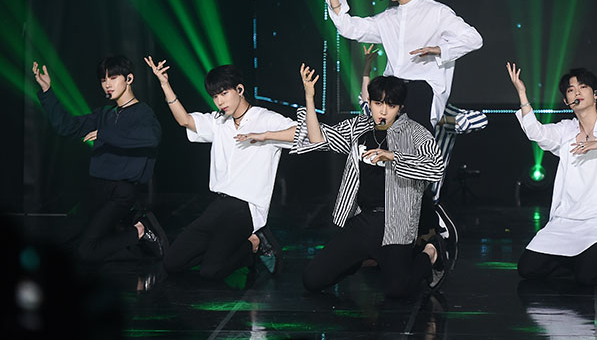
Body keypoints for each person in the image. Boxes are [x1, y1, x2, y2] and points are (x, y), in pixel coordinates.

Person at [292, 63, 447, 297]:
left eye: (391, 106)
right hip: (364, 221)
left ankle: (432, 252)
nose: (383, 111)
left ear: (400, 108)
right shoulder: (359, 127)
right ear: (370, 103)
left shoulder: (415, 133)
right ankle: (368, 258)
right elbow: (318, 139)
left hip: (398, 223)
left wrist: (393, 156)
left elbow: (436, 168)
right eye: (378, 104)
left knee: (397, 291)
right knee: (312, 280)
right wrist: (309, 97)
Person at [144, 56, 296, 280]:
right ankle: (230, 247)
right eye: (215, 96)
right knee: (172, 262)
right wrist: (165, 84)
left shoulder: (264, 118)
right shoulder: (219, 121)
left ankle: (253, 244)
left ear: (240, 90)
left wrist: (265, 136)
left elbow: (302, 134)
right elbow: (185, 120)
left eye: (224, 93)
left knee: (210, 271)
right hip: (219, 205)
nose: (219, 101)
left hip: (246, 208)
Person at [507, 63, 597, 285]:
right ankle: (578, 262)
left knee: (587, 277)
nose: (577, 92)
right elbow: (536, 133)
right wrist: (522, 93)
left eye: (583, 87)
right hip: (567, 219)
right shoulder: (566, 129)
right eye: (571, 90)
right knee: (527, 269)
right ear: (566, 101)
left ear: (596, 94)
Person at [311, 0, 482, 133]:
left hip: (421, 89)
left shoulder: (436, 11)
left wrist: (439, 49)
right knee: (384, 141)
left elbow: (474, 39)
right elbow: (349, 28)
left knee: (415, 143)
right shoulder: (387, 18)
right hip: (391, 90)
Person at [32, 57, 165, 263]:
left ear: (129, 79)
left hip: (121, 193)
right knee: (62, 243)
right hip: (96, 189)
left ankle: (139, 231)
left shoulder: (143, 113)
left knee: (86, 252)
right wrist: (47, 91)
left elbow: (151, 138)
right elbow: (66, 126)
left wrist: (105, 134)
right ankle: (124, 228)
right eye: (103, 80)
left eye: (113, 78)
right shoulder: (104, 114)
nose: (107, 84)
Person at [358, 45, 488, 247]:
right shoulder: (396, 114)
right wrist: (367, 70)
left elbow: (481, 120)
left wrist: (437, 120)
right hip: (395, 199)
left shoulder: (442, 111)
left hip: (427, 197)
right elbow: (367, 105)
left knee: (429, 245)